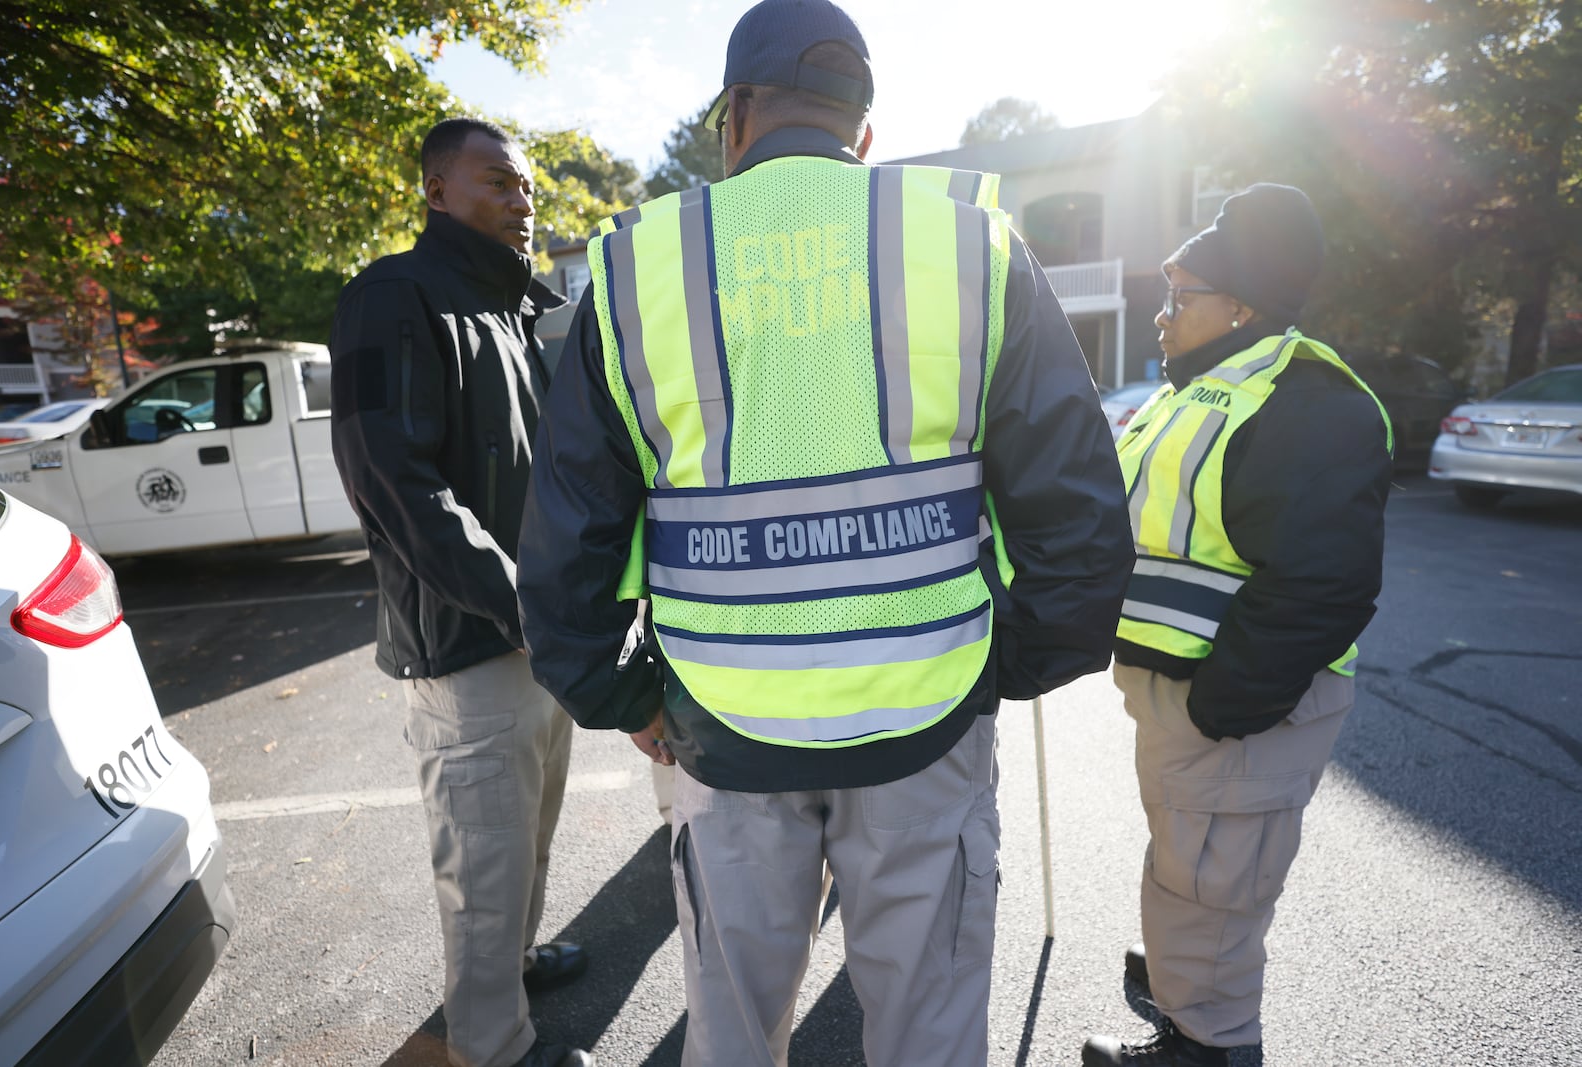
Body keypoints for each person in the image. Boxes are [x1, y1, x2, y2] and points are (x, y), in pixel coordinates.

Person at [516, 2, 1134, 1063]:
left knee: (733, 1030)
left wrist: (623, 693)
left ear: (734, 118)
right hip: (928, 720)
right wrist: (996, 666)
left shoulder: (632, 270)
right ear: (866, 133)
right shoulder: (968, 242)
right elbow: (1079, 516)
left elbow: (567, 537)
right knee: (928, 1031)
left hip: (720, 719)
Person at [1081, 184, 1393, 1067]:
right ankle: (1187, 1007)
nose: (1162, 313)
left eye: (1182, 297)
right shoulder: (1201, 388)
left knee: (1213, 884)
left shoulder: (1304, 398)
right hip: (1190, 699)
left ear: (1243, 307)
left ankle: (1205, 1044)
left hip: (1237, 706)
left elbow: (1321, 583)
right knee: (1194, 873)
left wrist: (1224, 705)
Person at [328, 117, 592, 1067]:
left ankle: (510, 965)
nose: (521, 201)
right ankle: (495, 1046)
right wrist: (521, 598)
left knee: (527, 836)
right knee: (483, 863)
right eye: (497, 183)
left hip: (539, 627)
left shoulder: (521, 310)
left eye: (526, 187)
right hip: (469, 642)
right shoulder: (392, 297)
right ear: (438, 191)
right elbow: (391, 478)